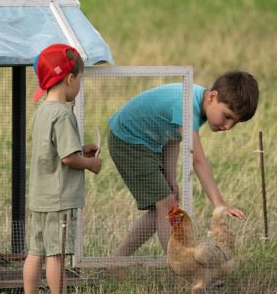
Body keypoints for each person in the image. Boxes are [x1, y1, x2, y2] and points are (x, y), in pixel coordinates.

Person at [108, 70, 259, 256]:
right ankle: (182, 270)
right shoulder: (188, 106)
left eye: (234, 122)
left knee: (162, 208)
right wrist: (219, 204)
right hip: (128, 140)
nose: (228, 126)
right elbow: (198, 160)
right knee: (166, 205)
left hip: (148, 144)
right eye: (227, 116)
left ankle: (117, 260)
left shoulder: (200, 104)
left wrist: (170, 177)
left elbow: (172, 139)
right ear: (213, 96)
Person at [19, 43, 102, 294]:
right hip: (58, 198)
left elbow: (54, 151)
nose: (78, 85)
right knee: (56, 255)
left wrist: (82, 148)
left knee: (35, 252)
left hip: (40, 197)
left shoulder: (42, 111)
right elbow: (68, 158)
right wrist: (90, 163)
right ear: (69, 79)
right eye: (79, 79)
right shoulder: (64, 114)